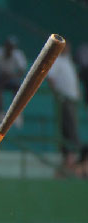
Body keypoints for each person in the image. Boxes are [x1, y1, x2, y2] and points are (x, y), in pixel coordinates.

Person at [47, 42, 81, 176]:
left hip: (72, 99)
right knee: (68, 127)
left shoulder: (68, 61)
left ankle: (73, 155)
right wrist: (57, 94)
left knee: (73, 126)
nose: (67, 48)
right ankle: (69, 155)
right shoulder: (58, 61)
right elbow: (51, 78)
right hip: (64, 99)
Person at [0, 36, 27, 125]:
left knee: (18, 87)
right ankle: (1, 112)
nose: (10, 49)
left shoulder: (17, 54)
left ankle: (17, 112)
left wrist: (11, 76)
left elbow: (21, 71)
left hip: (10, 79)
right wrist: (1, 74)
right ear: (5, 46)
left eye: (12, 47)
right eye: (8, 46)